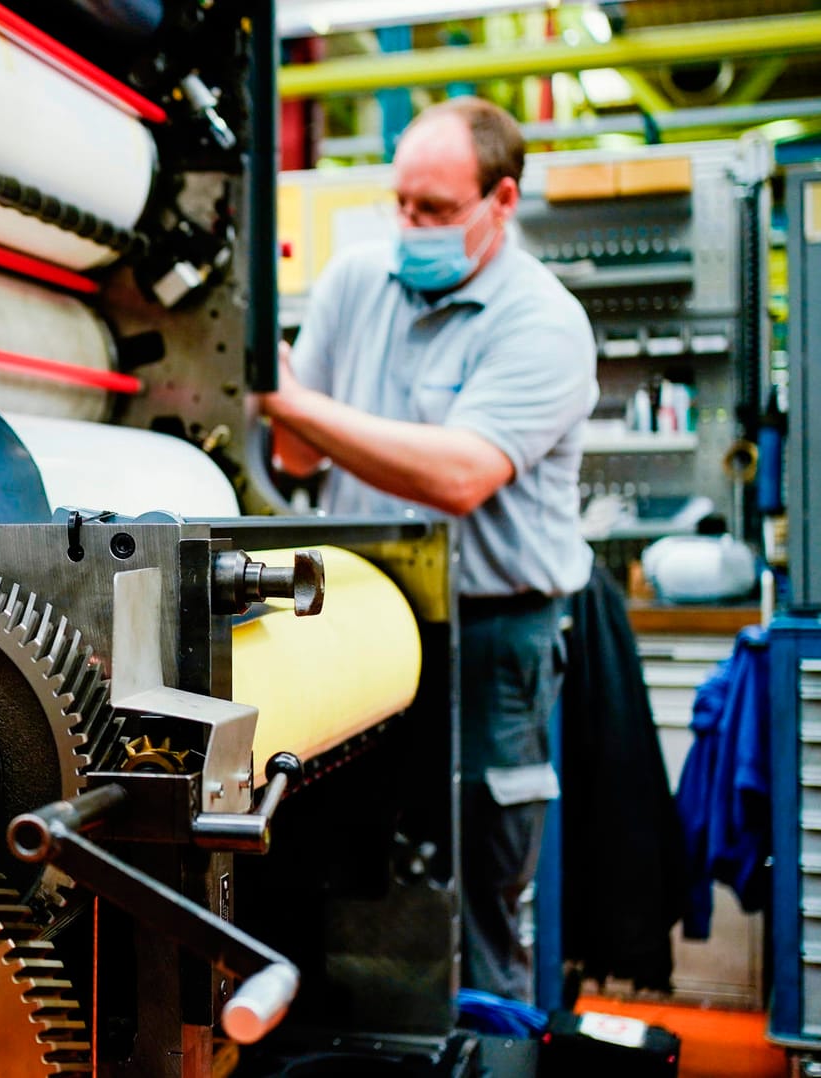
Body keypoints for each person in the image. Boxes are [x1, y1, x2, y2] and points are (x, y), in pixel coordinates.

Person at [257, 96, 598, 1002]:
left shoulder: (545, 323)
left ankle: (496, 1044)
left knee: (482, 878)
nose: (411, 227)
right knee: (347, 854)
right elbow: (295, 457)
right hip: (359, 619)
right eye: (402, 203)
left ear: (503, 201)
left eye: (437, 211)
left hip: (494, 636)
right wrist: (288, 404)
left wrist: (293, 402)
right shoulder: (353, 282)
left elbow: (458, 477)